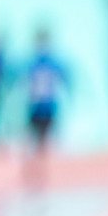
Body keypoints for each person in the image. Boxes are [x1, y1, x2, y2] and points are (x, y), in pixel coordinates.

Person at [23, 28, 69, 191]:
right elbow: (66, 79)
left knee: (39, 143)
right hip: (41, 108)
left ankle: (39, 179)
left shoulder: (34, 62)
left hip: (42, 108)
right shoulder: (47, 62)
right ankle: (39, 178)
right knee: (39, 143)